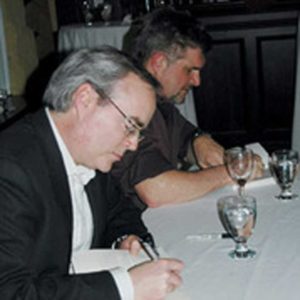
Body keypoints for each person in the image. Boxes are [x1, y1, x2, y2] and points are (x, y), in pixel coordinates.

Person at [0, 47, 184, 300]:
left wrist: (124, 239)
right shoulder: (9, 169)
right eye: (131, 125)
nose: (133, 144)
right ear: (85, 99)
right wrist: (125, 286)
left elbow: (121, 211)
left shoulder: (88, 153)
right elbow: (10, 293)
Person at [111, 8, 263, 210]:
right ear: (159, 62)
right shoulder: (127, 105)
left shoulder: (160, 101)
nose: (197, 81)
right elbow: (155, 190)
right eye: (190, 70)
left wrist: (199, 140)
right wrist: (233, 172)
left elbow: (186, 136)